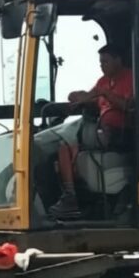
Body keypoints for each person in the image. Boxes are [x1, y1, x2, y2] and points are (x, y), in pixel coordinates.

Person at [48, 44, 134, 218]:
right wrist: (78, 98)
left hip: (120, 133)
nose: (102, 65)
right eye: (100, 62)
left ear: (118, 60)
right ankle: (70, 196)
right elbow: (91, 96)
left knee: (76, 134)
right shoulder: (103, 81)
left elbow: (129, 107)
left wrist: (106, 94)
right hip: (99, 131)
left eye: (105, 61)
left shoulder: (132, 78)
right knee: (64, 148)